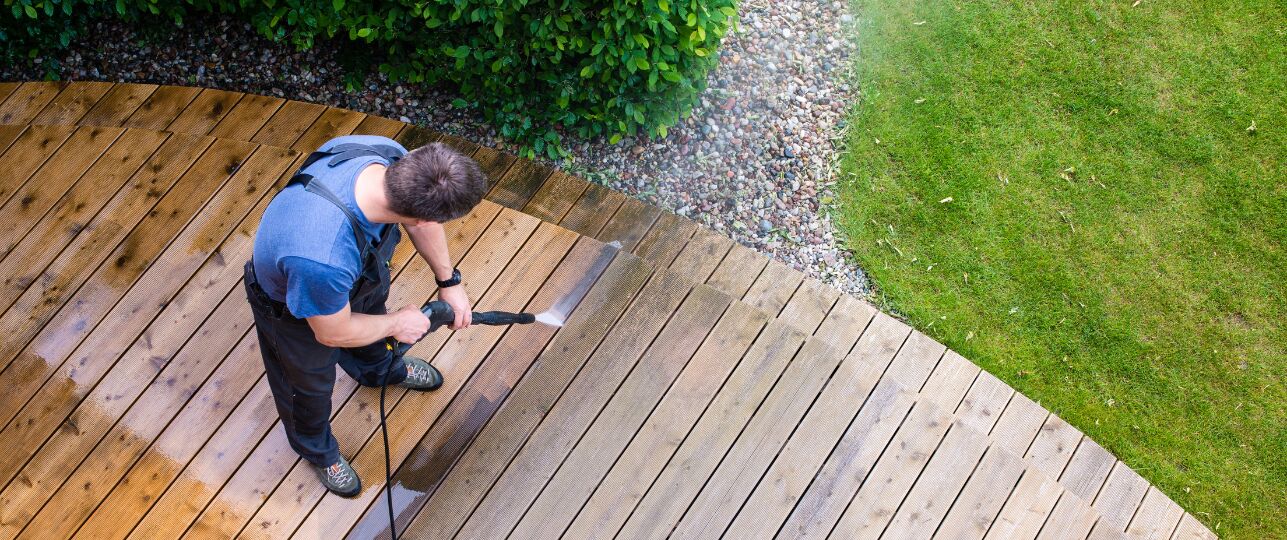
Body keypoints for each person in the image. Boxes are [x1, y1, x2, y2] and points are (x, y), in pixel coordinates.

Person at [243, 134, 486, 497]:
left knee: (375, 335)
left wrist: (448, 281)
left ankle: (379, 372)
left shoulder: (390, 156)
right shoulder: (322, 256)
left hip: (357, 278)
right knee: (307, 388)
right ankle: (317, 450)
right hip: (296, 311)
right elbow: (332, 332)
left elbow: (421, 223)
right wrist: (397, 324)